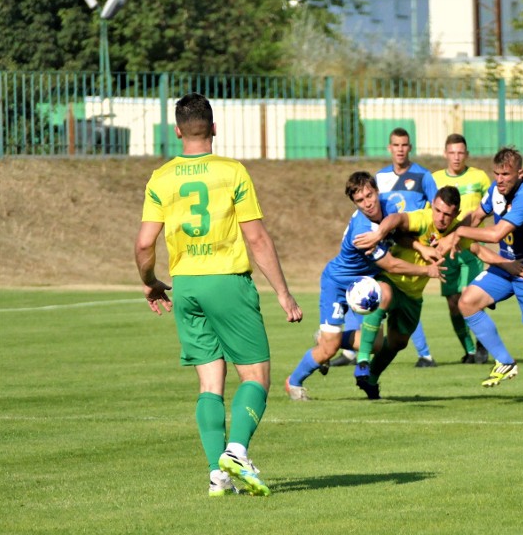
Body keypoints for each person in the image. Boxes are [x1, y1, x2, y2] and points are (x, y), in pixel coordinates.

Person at [134, 92, 303, 498]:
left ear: (177, 131)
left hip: (186, 285)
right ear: (213, 128)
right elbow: (256, 237)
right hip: (227, 281)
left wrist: (151, 281)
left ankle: (217, 475)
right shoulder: (232, 172)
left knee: (210, 382)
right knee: (256, 374)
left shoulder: (161, 178)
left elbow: (143, 244)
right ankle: (237, 452)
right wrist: (283, 292)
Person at [353, 186, 523, 400]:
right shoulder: (423, 218)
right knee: (384, 294)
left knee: (398, 343)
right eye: (438, 211)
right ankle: (362, 360)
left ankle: (370, 380)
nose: (441, 218)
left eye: (447, 214)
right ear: (432, 206)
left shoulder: (456, 232)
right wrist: (380, 234)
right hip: (391, 281)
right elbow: (396, 219)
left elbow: (479, 250)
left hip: (413, 296)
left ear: (456, 215)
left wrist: (508, 264)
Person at [284, 171, 444, 401]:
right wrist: (427, 270)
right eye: (360, 200)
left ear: (377, 191)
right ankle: (294, 382)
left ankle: (327, 338)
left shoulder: (388, 205)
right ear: (354, 203)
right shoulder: (362, 231)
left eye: (369, 195)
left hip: (364, 285)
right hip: (338, 285)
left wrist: (421, 247)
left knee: (376, 344)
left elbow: (396, 234)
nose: (368, 203)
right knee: (328, 350)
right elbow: (392, 265)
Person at [435, 147, 523, 404]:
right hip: (505, 267)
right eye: (497, 174)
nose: (500, 179)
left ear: (520, 173)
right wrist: (448, 236)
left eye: (506, 174)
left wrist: (458, 235)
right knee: (466, 302)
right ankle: (504, 361)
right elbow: (476, 217)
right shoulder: (494, 191)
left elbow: (495, 234)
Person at [374, 127, 440, 368]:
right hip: (383, 249)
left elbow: (437, 212)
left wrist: (434, 239)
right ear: (389, 148)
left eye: (404, 145)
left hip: (412, 250)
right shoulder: (379, 178)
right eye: (396, 145)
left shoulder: (424, 176)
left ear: (409, 148)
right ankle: (350, 345)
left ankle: (423, 353)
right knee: (370, 295)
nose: (400, 150)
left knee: (404, 298)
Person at [432, 134, 490, 365]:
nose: (456, 157)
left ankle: (483, 344)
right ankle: (468, 350)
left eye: (460, 152)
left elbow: (494, 203)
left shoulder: (480, 177)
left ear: (466, 154)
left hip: (471, 246)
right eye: (452, 152)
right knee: (453, 303)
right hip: (446, 250)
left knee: (471, 296)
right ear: (445, 154)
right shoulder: (434, 179)